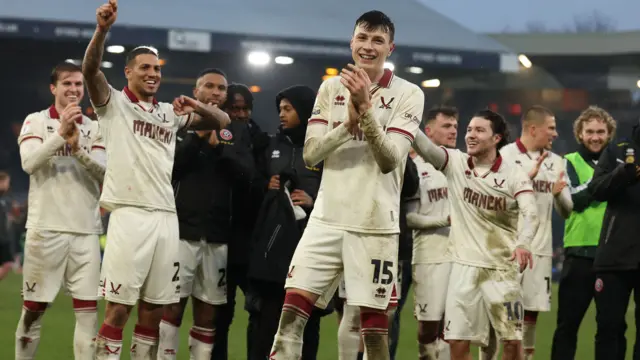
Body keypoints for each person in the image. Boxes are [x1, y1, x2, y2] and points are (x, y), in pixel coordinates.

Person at [269, 10, 424, 360]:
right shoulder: (330, 87)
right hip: (325, 220)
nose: (368, 47)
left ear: (390, 47)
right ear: (352, 42)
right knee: (289, 321)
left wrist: (366, 114)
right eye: (363, 38)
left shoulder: (408, 94)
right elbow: (310, 154)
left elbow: (389, 160)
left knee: (373, 337)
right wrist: (346, 126)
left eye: (378, 40)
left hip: (374, 226)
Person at [83, 2, 230, 358]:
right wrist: (101, 31)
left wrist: (196, 107)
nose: (153, 74)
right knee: (119, 307)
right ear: (128, 73)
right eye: (145, 68)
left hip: (167, 217)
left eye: (157, 68)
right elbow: (89, 70)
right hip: (130, 214)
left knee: (155, 308)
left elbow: (222, 120)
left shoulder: (169, 113)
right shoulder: (113, 104)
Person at [412, 109, 539, 360]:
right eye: (469, 129)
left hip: (502, 271)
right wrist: (404, 115)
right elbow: (424, 146)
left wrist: (523, 243)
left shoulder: (514, 175)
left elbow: (531, 213)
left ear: (496, 138)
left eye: (479, 130)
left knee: (512, 343)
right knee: (457, 344)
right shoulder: (455, 162)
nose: (470, 135)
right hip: (463, 269)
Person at [14, 62, 107, 360]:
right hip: (46, 230)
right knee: (34, 311)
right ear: (54, 88)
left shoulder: (95, 128)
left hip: (86, 231)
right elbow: (29, 164)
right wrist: (61, 135)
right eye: (67, 83)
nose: (74, 89)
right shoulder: (36, 121)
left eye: (79, 84)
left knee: (88, 314)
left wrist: (78, 149)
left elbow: (106, 175)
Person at [159, 68, 252, 360]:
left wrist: (222, 150)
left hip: (217, 236)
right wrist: (199, 136)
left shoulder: (234, 132)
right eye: (209, 86)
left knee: (208, 312)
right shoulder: (178, 126)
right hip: (181, 233)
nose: (215, 92)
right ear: (196, 91)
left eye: (221, 88)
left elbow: (245, 176)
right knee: (172, 307)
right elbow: (169, 170)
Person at [247, 84, 325, 360]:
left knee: (307, 320)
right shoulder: (271, 145)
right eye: (280, 109)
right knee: (265, 320)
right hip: (273, 246)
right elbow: (252, 183)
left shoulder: (322, 148)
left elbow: (338, 189)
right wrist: (266, 187)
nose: (282, 114)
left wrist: (314, 200)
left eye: (288, 109)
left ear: (305, 111)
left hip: (310, 244)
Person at [497, 105, 573, 360]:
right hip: (507, 248)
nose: (555, 133)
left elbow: (567, 210)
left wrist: (558, 194)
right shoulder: (504, 156)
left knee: (530, 315)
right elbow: (496, 199)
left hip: (540, 250)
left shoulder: (556, 161)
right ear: (533, 128)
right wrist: (526, 181)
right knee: (505, 314)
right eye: (550, 128)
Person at [337, 154, 418, 360]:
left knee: (386, 310)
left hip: (387, 240)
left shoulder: (396, 144)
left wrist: (398, 151)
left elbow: (411, 185)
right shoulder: (353, 144)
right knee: (352, 309)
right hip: (353, 233)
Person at [551, 106, 616, 360]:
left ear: (609, 133)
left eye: (601, 131)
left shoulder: (619, 163)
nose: (595, 137)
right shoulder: (568, 161)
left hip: (613, 255)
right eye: (590, 131)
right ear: (580, 133)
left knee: (610, 328)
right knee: (567, 326)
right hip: (578, 253)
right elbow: (575, 200)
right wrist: (607, 179)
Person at [214, 83, 268, 360]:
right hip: (218, 239)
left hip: (249, 243)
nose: (240, 114)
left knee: (258, 312)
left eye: (245, 108)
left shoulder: (260, 140)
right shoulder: (212, 136)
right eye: (234, 108)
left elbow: (257, 183)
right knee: (218, 317)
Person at [588, 109, 640, 360]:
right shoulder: (618, 150)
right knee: (609, 327)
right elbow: (596, 189)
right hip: (615, 257)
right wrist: (621, 175)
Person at [407, 105, 458, 360]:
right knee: (429, 326)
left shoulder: (461, 163)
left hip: (459, 256)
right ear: (428, 131)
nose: (453, 131)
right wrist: (443, 220)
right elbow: (409, 218)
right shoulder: (415, 167)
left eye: (455, 126)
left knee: (452, 326)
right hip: (429, 255)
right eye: (446, 126)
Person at [0, 171, 13, 280]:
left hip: (3, 238)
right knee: (7, 264)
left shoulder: (5, 199)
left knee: (8, 265)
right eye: (6, 182)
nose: (8, 185)